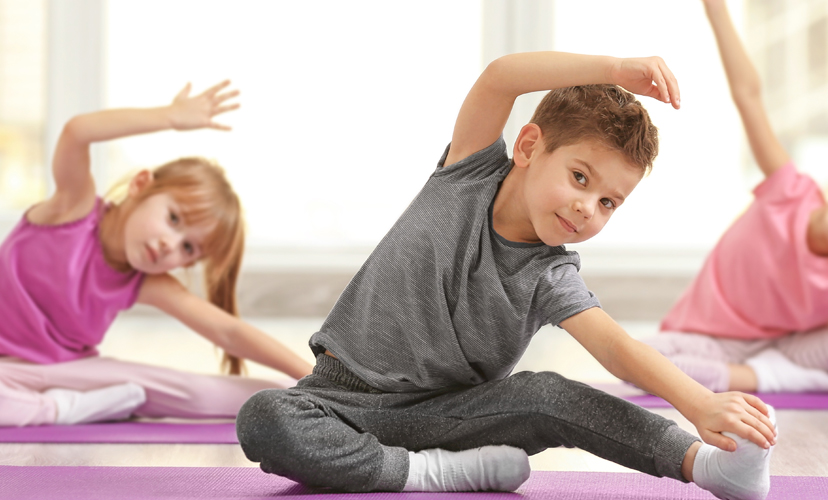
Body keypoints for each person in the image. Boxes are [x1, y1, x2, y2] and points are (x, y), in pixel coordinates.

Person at [235, 50, 777, 500]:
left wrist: (700, 404)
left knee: (548, 395)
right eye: (580, 177)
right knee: (264, 416)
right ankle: (435, 475)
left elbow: (616, 348)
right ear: (528, 147)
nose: (588, 207)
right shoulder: (466, 173)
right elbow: (500, 78)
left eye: (609, 201)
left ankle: (706, 468)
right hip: (335, 401)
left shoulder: (551, 273)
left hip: (444, 419)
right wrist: (612, 71)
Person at [645, 0, 828, 396]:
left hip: (790, 354)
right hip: (708, 342)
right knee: (640, 359)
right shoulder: (789, 190)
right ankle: (761, 380)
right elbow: (749, 96)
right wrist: (717, 10)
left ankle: (766, 375)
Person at [0, 81, 313, 427]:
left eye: (188, 248)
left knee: (199, 393)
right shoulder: (72, 208)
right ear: (140, 185)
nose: (170, 244)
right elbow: (77, 132)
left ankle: (315, 398)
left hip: (72, 372)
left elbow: (229, 333)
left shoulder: (146, 282)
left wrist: (313, 377)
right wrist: (170, 116)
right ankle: (58, 410)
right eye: (173, 218)